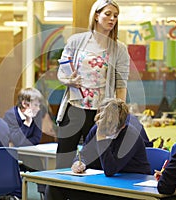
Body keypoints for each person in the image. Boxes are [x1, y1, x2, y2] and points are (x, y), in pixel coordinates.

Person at [55, 0, 130, 168]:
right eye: (108, 14)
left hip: (100, 112)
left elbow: (121, 84)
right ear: (96, 15)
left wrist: (119, 114)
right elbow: (62, 72)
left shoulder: (119, 48)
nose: (112, 19)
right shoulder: (76, 41)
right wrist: (69, 81)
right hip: (74, 107)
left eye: (115, 16)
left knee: (93, 161)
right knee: (64, 159)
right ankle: (57, 193)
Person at [45, 98, 151, 200]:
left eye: (110, 128)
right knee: (54, 187)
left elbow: (110, 169)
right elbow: (85, 154)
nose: (105, 131)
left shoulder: (130, 136)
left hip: (130, 189)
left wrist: (101, 138)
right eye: (102, 126)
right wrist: (78, 162)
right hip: (105, 184)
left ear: (122, 126)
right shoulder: (97, 128)